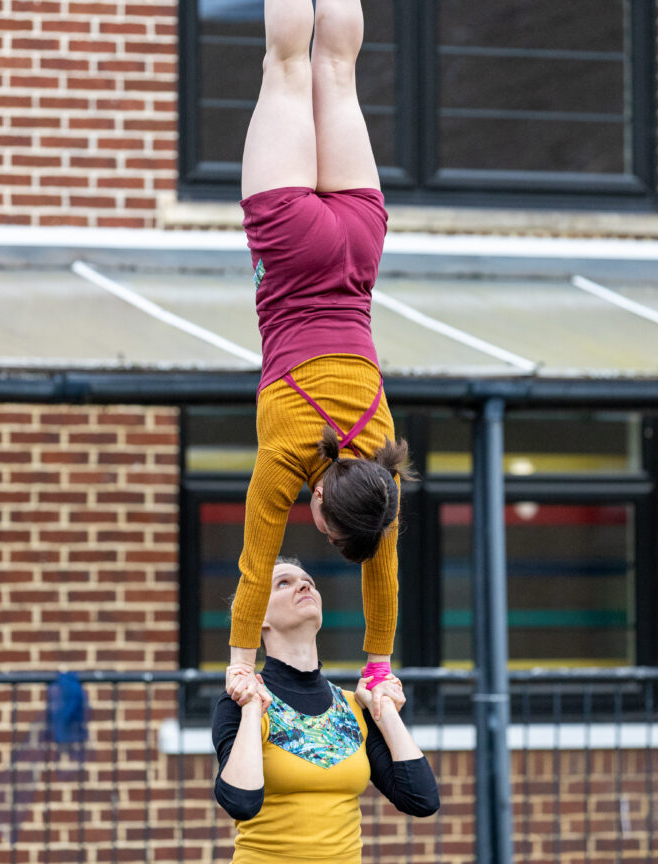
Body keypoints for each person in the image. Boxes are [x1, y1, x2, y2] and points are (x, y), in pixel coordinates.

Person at [226, 0, 414, 717]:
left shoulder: (381, 465)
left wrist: (378, 666)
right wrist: (242, 665)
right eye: (328, 532)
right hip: (292, 244)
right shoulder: (285, 461)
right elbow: (253, 568)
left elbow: (384, 577)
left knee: (335, 69)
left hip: (360, 246)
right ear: (324, 511)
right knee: (283, 66)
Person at [213, 558, 439, 863]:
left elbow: (421, 799)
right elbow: (240, 802)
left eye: (308, 581)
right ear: (257, 616)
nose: (305, 585)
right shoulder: (242, 701)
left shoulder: (352, 705)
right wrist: (253, 710)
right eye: (284, 583)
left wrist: (385, 712)